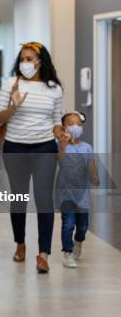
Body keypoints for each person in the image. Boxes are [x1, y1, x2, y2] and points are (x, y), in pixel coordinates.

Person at [0, 41, 66, 273]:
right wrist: (14, 107)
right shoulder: (10, 84)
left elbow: (56, 121)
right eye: (22, 59)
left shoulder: (54, 88)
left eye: (30, 59)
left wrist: (61, 134)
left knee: (45, 200)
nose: (25, 63)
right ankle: (20, 243)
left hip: (44, 148)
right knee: (19, 198)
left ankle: (43, 253)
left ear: (40, 62)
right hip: (16, 148)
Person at [56, 111, 99, 268]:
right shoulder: (62, 146)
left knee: (83, 226)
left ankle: (78, 241)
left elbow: (91, 164)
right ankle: (67, 253)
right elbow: (60, 161)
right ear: (64, 127)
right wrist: (63, 145)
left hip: (82, 196)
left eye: (79, 124)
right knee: (68, 223)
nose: (76, 127)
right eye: (71, 124)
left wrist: (95, 176)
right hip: (66, 194)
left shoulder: (86, 147)